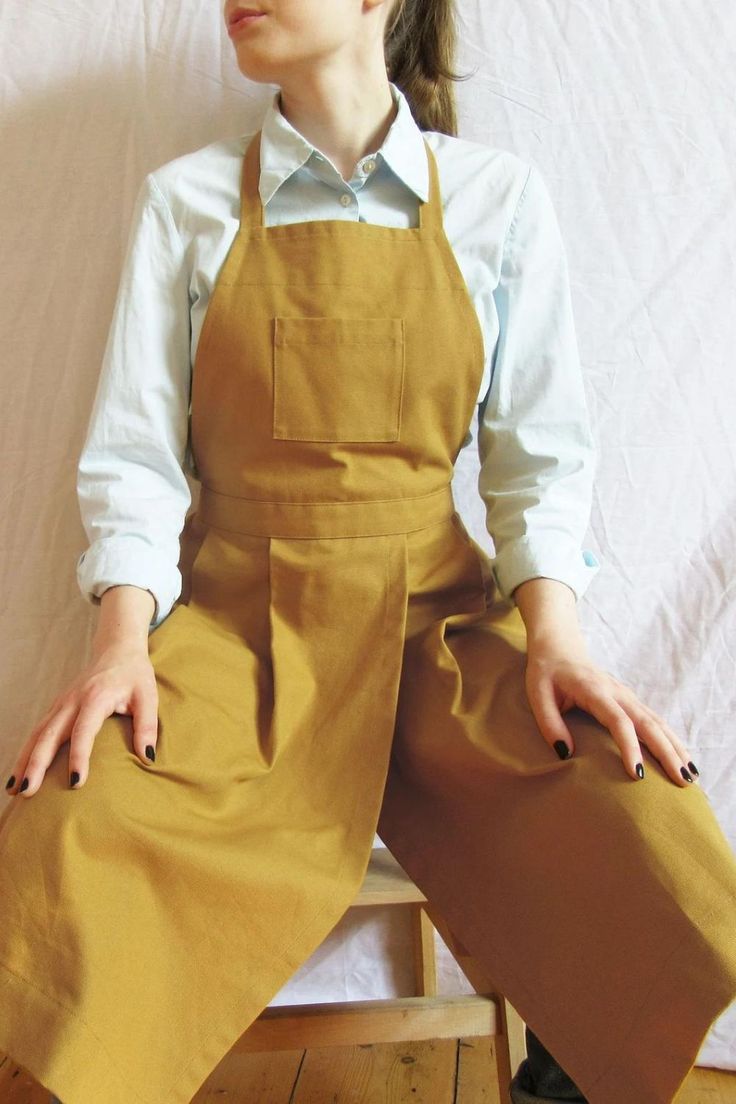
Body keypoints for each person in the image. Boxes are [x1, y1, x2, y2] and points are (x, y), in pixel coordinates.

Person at [2, 1, 736, 1102]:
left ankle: (569, 1071)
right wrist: (120, 648)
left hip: (437, 629)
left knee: (635, 804)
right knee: (71, 817)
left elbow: (536, 461)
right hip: (240, 641)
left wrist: (557, 639)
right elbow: (138, 462)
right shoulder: (187, 204)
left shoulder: (497, 200)